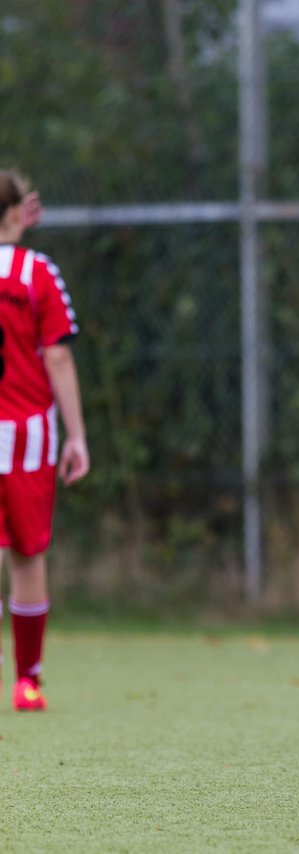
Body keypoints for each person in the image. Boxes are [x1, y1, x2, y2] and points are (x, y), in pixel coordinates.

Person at [0, 169, 90, 712]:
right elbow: (56, 354)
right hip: (26, 437)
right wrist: (76, 437)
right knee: (27, 557)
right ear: (17, 213)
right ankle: (27, 681)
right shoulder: (37, 273)